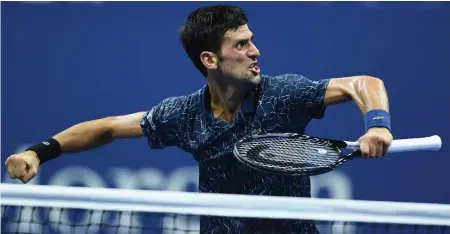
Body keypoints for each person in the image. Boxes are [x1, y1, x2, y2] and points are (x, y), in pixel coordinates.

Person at [5, 4, 393, 234]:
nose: (255, 51)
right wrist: (41, 152)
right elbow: (107, 128)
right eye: (241, 44)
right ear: (210, 59)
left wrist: (377, 124)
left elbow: (364, 83)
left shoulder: (284, 93)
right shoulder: (184, 115)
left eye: (252, 39)